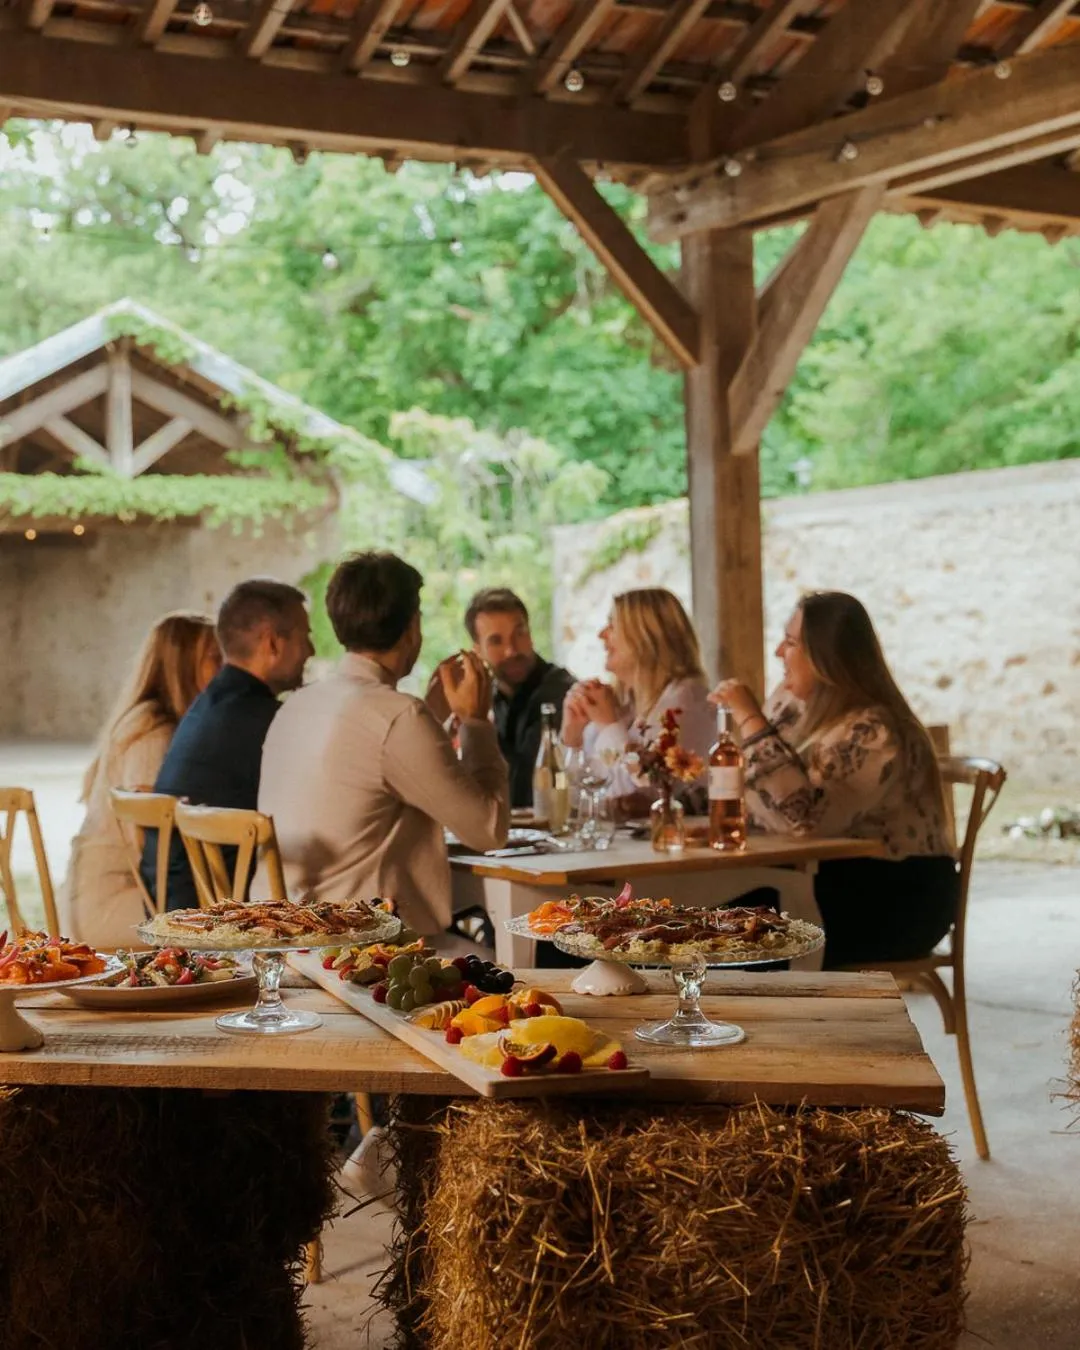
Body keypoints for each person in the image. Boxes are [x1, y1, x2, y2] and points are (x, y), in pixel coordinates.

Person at [258, 551, 509, 939]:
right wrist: (476, 721)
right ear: (412, 627)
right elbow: (489, 830)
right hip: (357, 948)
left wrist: (431, 714)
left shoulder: (297, 705)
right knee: (496, 956)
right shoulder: (396, 717)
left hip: (282, 934)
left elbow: (369, 767)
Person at [710, 590, 957, 969]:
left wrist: (750, 719)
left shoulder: (873, 730)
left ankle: (768, 1027)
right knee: (701, 924)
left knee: (723, 939)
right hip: (824, 883)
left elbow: (804, 820)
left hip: (893, 898)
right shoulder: (794, 709)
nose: (778, 652)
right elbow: (754, 795)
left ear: (826, 659)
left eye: (791, 643)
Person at [141, 578, 314, 911]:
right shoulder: (271, 722)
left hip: (170, 906)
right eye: (305, 636)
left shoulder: (206, 708)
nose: (312, 650)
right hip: (214, 919)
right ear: (272, 643)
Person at [58, 613, 221, 947]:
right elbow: (150, 845)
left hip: (111, 893)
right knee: (227, 912)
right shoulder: (152, 731)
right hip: (113, 901)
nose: (224, 669)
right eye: (214, 658)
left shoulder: (151, 722)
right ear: (182, 665)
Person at [560, 587, 713, 809]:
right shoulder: (627, 703)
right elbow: (573, 801)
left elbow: (638, 797)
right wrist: (571, 738)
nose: (602, 634)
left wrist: (608, 725)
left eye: (613, 626)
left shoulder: (686, 701)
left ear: (645, 638)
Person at [463, 587, 575, 810]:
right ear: (478, 651)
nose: (512, 650)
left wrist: (477, 725)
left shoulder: (558, 693)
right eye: (496, 641)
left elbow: (523, 790)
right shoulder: (494, 697)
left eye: (519, 633)